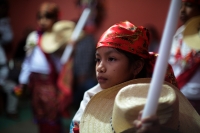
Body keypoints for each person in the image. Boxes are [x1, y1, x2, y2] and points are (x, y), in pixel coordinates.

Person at [69, 21, 178, 133]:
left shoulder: (156, 103)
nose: (100, 68)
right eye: (98, 59)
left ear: (136, 66)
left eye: (111, 59)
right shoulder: (90, 98)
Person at [18, 2, 65, 133]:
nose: (43, 21)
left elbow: (62, 62)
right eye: (40, 17)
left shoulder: (58, 38)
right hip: (35, 82)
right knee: (38, 110)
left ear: (55, 19)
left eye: (48, 17)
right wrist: (22, 81)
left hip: (50, 82)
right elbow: (28, 61)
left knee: (52, 111)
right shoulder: (33, 37)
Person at [168, 0, 200, 114]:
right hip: (178, 95)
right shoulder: (179, 33)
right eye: (180, 6)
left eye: (189, 5)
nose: (182, 10)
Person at [0, 0, 18, 119]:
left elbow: (9, 38)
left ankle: (11, 111)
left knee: (15, 89)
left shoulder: (4, 22)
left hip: (3, 71)